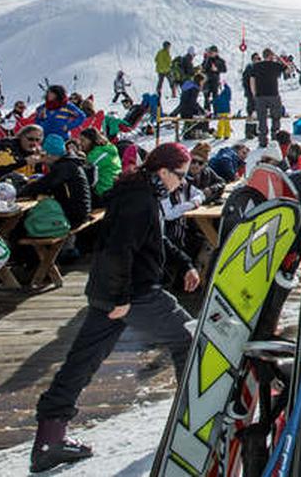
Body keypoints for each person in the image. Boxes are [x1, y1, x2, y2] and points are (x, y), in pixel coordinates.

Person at [31, 143, 200, 473]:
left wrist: (185, 264)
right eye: (180, 175)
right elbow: (118, 251)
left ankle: (48, 441)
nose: (181, 183)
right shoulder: (140, 200)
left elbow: (153, 239)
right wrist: (121, 299)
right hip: (134, 293)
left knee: (82, 359)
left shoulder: (136, 192)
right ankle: (193, 420)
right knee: (190, 339)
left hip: (110, 292)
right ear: (163, 171)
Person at [18, 134, 93, 228]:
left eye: (43, 155)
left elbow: (43, 185)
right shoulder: (68, 163)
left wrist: (19, 193)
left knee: (25, 224)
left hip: (74, 217)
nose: (42, 158)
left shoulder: (64, 167)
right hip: (78, 211)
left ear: (50, 154)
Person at [246, 50, 287, 149]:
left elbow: (252, 80)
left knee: (262, 118)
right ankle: (274, 137)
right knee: (276, 117)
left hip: (260, 96)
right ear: (271, 56)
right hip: (273, 94)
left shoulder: (256, 66)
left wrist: (254, 93)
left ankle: (263, 140)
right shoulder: (275, 65)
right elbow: (288, 69)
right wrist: (280, 59)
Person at [77, 128, 121, 208]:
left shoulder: (97, 154)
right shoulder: (107, 148)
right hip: (113, 188)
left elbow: (81, 170)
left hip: (104, 191)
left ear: (92, 140)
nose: (80, 143)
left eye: (83, 140)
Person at [170, 74, 209, 139]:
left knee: (200, 115)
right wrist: (203, 111)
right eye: (203, 82)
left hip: (184, 111)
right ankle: (202, 133)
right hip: (189, 112)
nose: (203, 84)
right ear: (199, 81)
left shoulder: (188, 86)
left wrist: (174, 113)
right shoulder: (194, 88)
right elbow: (192, 102)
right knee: (204, 118)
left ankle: (188, 133)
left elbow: (185, 103)